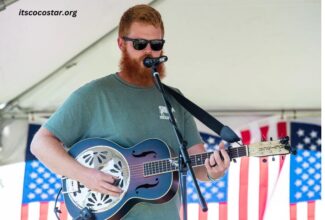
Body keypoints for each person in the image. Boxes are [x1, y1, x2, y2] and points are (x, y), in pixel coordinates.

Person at [31, 4, 230, 220]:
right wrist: (86, 175)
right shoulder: (94, 94)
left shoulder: (175, 99)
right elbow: (40, 143)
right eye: (139, 44)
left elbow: (198, 166)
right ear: (121, 44)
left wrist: (214, 172)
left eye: (155, 44)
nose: (148, 51)